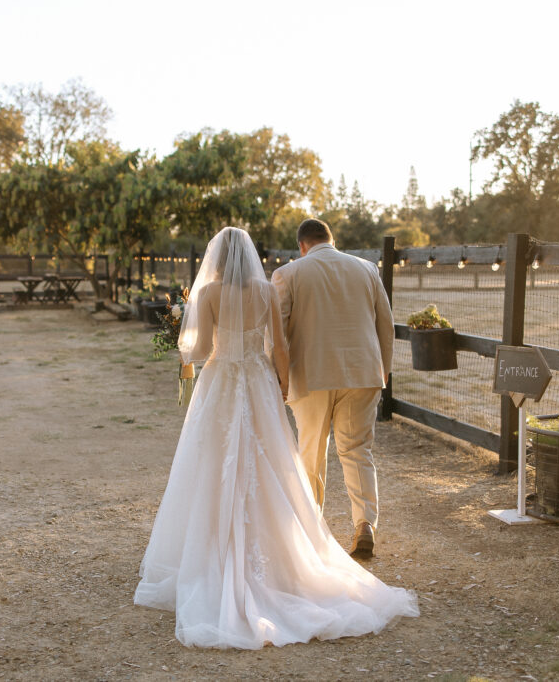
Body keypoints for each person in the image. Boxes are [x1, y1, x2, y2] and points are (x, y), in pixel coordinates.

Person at [134, 227, 417, 649]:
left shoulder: (226, 290)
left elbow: (205, 348)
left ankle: (277, 531)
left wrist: (185, 347)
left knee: (261, 456)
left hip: (245, 380)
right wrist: (284, 382)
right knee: (320, 454)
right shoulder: (283, 285)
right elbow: (284, 345)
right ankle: (346, 525)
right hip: (305, 376)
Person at [270, 218, 394, 559]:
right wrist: (382, 370)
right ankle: (365, 524)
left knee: (311, 450)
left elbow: (276, 334)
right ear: (331, 240)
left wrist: (278, 378)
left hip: (311, 375)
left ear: (302, 246)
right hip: (363, 372)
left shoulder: (288, 274)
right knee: (356, 450)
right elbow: (385, 324)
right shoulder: (367, 269)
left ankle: (311, 531)